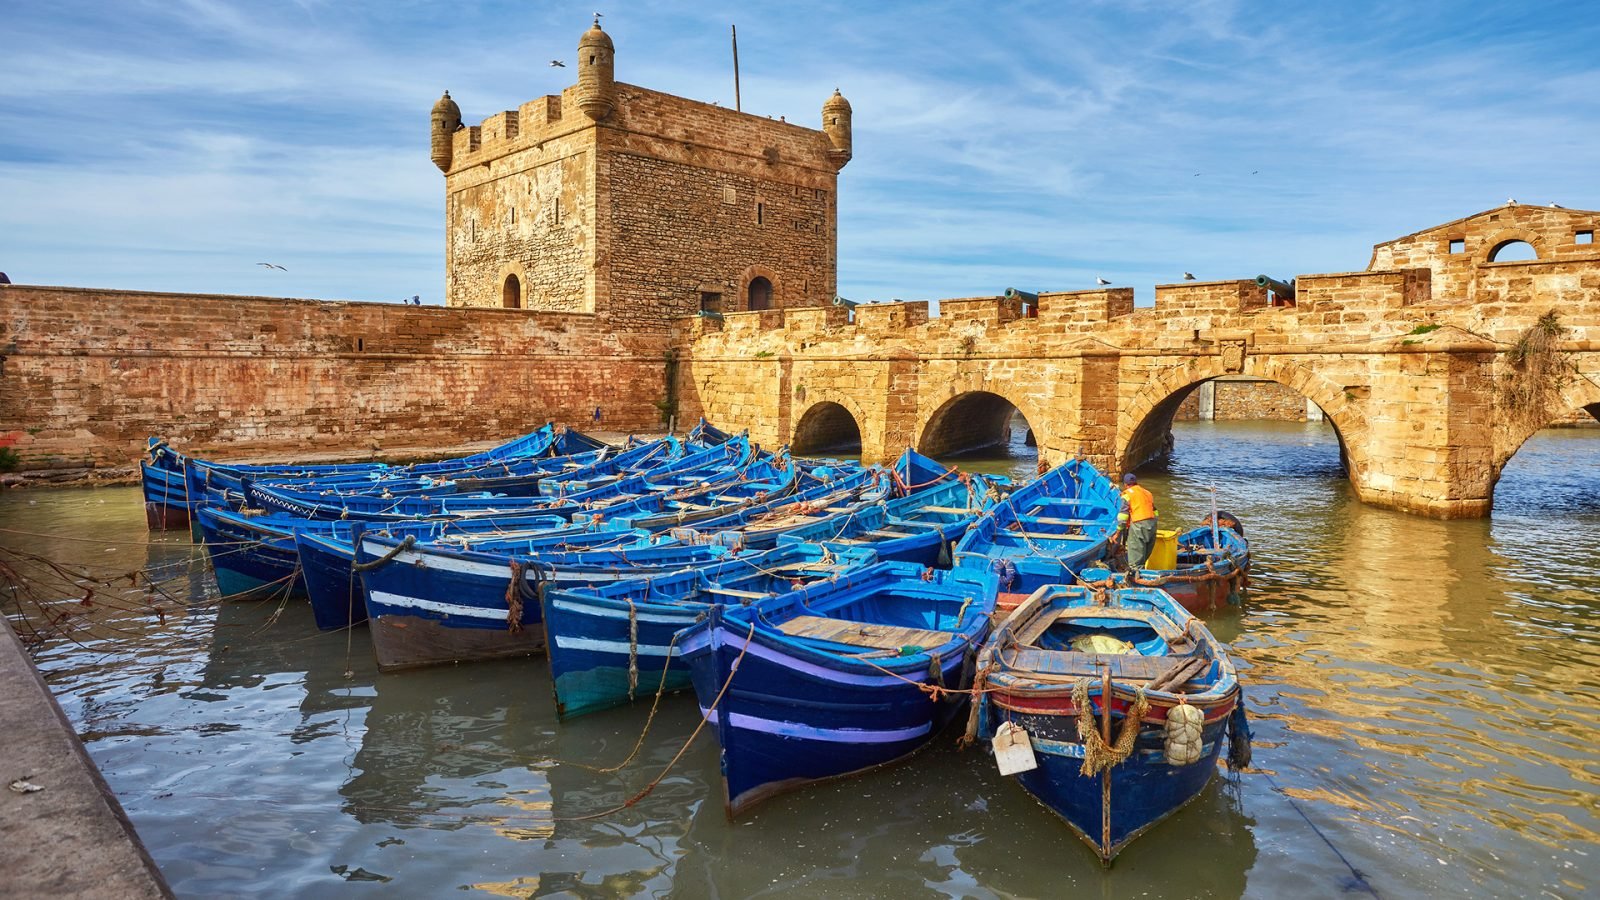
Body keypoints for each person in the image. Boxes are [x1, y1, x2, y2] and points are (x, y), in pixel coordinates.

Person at [1115, 473, 1158, 571]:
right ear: (1136, 482)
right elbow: (1155, 511)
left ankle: (1136, 577)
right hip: (1152, 524)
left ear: (1125, 485)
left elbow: (1123, 516)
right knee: (1144, 555)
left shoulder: (1127, 495)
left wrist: (1118, 532)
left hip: (1139, 526)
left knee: (1135, 559)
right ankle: (1141, 571)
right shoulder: (1147, 493)